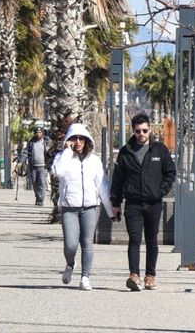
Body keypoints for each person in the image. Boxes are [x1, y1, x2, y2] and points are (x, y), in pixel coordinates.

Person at [110, 113, 176, 292]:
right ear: (133, 131)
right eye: (138, 131)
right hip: (133, 204)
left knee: (152, 241)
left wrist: (160, 191)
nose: (141, 134)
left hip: (154, 203)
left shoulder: (160, 150)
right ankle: (134, 275)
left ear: (150, 130)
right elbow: (117, 179)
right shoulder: (125, 151)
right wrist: (115, 204)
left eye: (145, 130)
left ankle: (150, 276)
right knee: (134, 239)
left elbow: (170, 173)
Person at [51, 122, 113, 291]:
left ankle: (85, 277)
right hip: (69, 207)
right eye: (74, 138)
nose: (78, 141)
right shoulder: (62, 157)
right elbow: (57, 172)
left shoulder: (94, 160)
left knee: (87, 243)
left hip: (90, 207)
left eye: (81, 138)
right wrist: (66, 151)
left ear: (87, 141)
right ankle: (70, 263)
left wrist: (110, 211)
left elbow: (103, 185)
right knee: (70, 245)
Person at [19, 126, 51, 205]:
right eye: (36, 132)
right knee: (34, 183)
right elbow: (25, 152)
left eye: (39, 132)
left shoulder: (46, 142)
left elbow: (50, 152)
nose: (38, 134)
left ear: (42, 133)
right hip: (33, 166)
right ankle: (37, 196)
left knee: (42, 183)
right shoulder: (31, 142)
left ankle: (40, 199)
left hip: (43, 166)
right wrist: (21, 160)